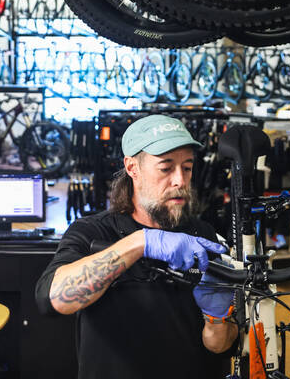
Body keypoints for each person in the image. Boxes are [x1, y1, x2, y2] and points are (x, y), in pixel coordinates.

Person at [35, 115, 237, 379]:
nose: (180, 181)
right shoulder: (93, 231)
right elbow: (54, 299)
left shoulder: (202, 235)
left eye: (187, 168)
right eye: (166, 168)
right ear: (133, 168)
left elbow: (219, 345)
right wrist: (142, 242)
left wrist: (218, 317)